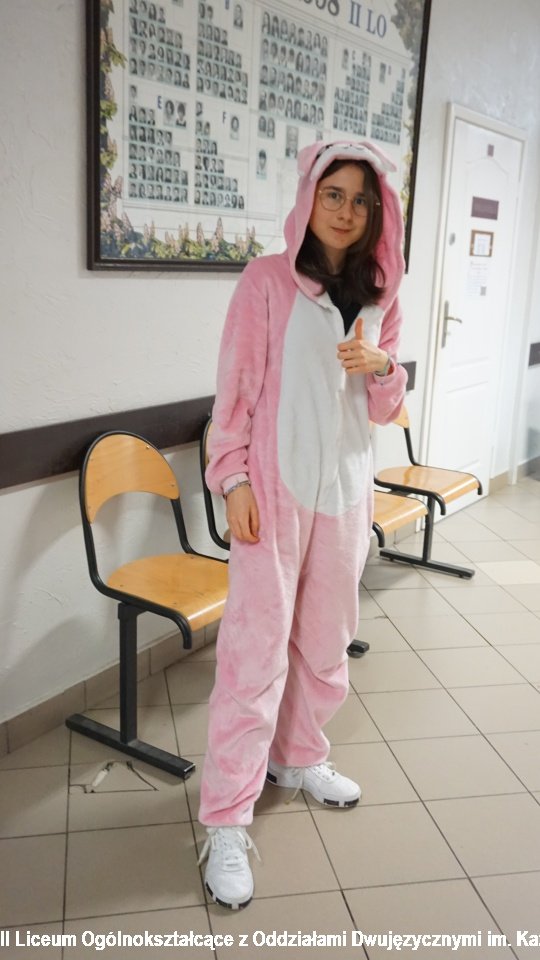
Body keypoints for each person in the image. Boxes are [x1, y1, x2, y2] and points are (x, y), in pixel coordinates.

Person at [198, 140, 407, 910]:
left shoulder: (381, 293)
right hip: (274, 491)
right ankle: (226, 818)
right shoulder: (266, 282)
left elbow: (384, 407)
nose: (346, 211)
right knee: (255, 652)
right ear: (309, 197)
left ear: (377, 211)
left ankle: (299, 755)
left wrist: (384, 369)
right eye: (334, 194)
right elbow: (234, 390)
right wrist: (232, 479)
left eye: (361, 199)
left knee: (325, 640)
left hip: (345, 492)